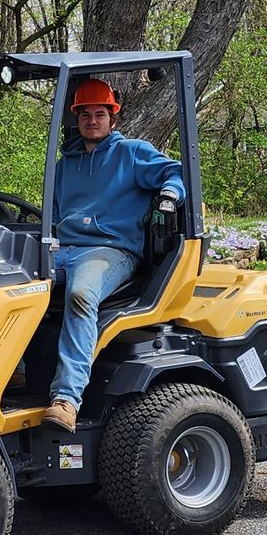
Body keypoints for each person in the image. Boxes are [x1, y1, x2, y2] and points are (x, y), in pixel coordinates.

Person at [44, 78, 185, 431]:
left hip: (112, 250)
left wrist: (169, 196)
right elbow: (56, 214)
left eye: (99, 114)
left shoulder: (132, 153)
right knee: (9, 282)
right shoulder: (65, 165)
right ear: (76, 119)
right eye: (85, 114)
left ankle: (66, 399)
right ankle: (15, 374)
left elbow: (177, 171)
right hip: (65, 248)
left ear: (113, 119)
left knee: (81, 294)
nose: (92, 120)